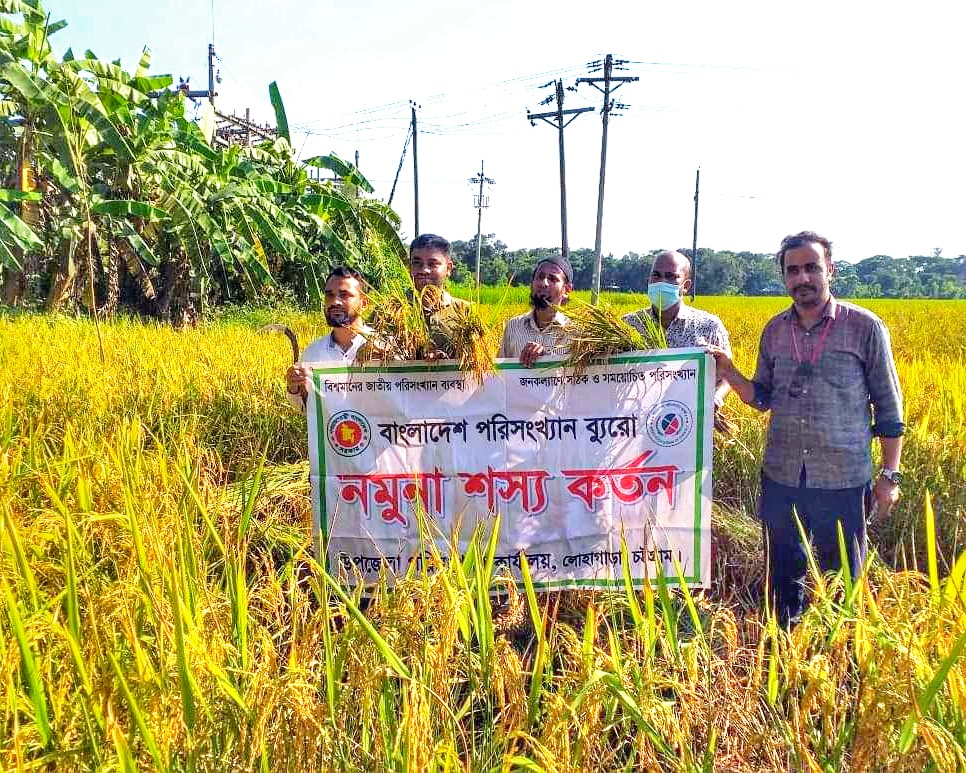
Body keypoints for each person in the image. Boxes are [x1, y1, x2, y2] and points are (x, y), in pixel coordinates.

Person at [708, 231, 904, 625]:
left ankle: (840, 661)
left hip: (843, 479)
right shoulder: (775, 330)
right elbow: (761, 397)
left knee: (842, 581)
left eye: (811, 267)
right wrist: (728, 370)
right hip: (782, 475)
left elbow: (889, 406)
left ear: (830, 270)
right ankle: (787, 654)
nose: (803, 278)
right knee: (784, 576)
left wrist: (889, 475)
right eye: (793, 270)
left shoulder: (864, 327)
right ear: (784, 277)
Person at [622, 249, 733, 411]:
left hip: (691, 423)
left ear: (686, 286)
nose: (662, 282)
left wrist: (716, 397)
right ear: (649, 280)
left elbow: (728, 374)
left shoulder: (708, 326)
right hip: (638, 421)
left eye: (671, 276)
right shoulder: (628, 325)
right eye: (656, 275)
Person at [285, 266, 372, 411]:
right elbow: (305, 408)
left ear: (363, 304)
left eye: (344, 295)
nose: (335, 302)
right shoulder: (313, 353)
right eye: (329, 295)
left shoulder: (384, 347)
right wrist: (293, 387)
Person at [499, 254, 574, 367]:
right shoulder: (513, 326)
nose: (544, 283)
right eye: (540, 277)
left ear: (567, 290)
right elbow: (501, 374)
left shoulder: (575, 333)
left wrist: (546, 361)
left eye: (553, 279)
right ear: (532, 284)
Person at [407, 233, 471, 359]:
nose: (424, 270)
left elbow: (480, 364)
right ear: (410, 267)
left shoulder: (465, 311)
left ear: (448, 268)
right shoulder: (387, 312)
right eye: (417, 263)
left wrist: (447, 361)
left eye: (432, 264)